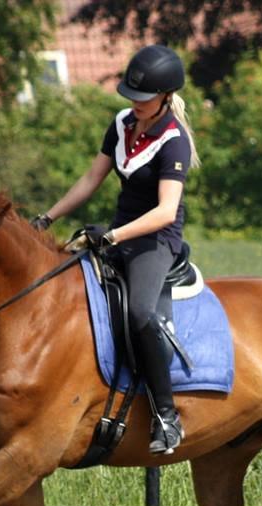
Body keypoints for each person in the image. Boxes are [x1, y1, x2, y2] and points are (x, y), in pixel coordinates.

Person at [31, 44, 200, 455]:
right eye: (131, 96)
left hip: (154, 241)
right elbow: (90, 180)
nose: (134, 103)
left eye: (142, 98)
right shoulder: (122, 124)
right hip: (118, 232)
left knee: (141, 313)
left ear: (164, 97)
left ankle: (166, 416)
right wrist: (46, 219)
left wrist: (113, 237)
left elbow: (164, 212)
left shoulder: (173, 141)